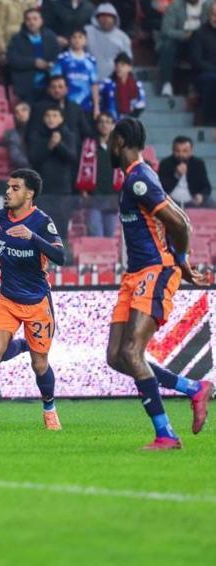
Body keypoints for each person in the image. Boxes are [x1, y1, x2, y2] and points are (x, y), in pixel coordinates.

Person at [104, 117, 213, 450]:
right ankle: (193, 388)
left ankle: (166, 434)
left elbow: (182, 224)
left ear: (120, 141)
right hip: (135, 274)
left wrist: (181, 263)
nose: (107, 145)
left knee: (132, 351)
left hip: (155, 270)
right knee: (116, 356)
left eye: (110, 140)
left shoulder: (139, 179)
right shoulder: (134, 178)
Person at [0, 168, 66, 431]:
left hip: (37, 301)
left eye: (15, 188)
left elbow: (61, 257)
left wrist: (33, 237)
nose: (8, 192)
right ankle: (22, 344)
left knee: (40, 365)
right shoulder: (0, 217)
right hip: (7, 299)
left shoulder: (42, 221)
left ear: (29, 194)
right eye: (8, 187)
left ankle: (49, 408)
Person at [28, 106, 78, 236]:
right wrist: (49, 145)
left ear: (61, 119)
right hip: (43, 190)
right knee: (41, 227)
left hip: (62, 191)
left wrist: (59, 145)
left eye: (55, 116)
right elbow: (34, 159)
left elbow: (72, 158)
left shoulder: (68, 135)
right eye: (48, 116)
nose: (51, 119)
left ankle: (60, 254)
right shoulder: (36, 135)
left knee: (61, 227)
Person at [6, 8, 60, 103]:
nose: (31, 22)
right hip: (25, 87)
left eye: (35, 19)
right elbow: (12, 59)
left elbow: (57, 56)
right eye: (28, 19)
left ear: (41, 21)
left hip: (47, 86)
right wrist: (33, 63)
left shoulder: (50, 37)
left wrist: (50, 64)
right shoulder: (17, 39)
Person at [79, 112, 119, 237]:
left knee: (110, 235)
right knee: (95, 235)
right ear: (96, 125)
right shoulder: (88, 146)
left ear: (113, 125)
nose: (104, 125)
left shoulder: (119, 147)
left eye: (108, 122)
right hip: (93, 197)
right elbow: (82, 169)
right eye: (101, 122)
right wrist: (84, 190)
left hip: (113, 197)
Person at [29, 74, 94, 152]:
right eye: (53, 87)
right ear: (48, 90)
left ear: (67, 89)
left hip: (74, 154)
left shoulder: (75, 107)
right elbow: (33, 134)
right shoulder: (39, 108)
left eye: (60, 87)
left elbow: (86, 131)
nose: (57, 90)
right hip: (50, 155)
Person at [157, 0, 207, 97]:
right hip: (178, 43)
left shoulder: (208, 6)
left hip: (199, 44)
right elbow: (166, 30)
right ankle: (167, 84)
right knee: (167, 45)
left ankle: (196, 87)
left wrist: (195, 37)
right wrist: (186, 35)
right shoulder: (174, 6)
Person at [52, 28, 100, 115]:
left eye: (80, 37)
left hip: (86, 105)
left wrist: (96, 107)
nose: (77, 40)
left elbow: (94, 84)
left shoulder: (91, 60)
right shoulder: (63, 58)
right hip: (67, 104)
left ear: (85, 41)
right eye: (74, 37)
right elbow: (55, 82)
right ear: (70, 40)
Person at [158, 136, 212, 207]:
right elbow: (161, 188)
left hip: (193, 200)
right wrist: (176, 175)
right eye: (177, 151)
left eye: (185, 151)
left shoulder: (198, 164)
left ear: (191, 151)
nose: (181, 154)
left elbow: (207, 187)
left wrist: (201, 196)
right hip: (171, 202)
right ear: (173, 150)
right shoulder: (165, 163)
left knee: (211, 203)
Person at [85, 3, 132, 80]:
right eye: (102, 16)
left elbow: (127, 62)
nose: (106, 19)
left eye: (109, 16)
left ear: (115, 18)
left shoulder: (123, 37)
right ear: (96, 18)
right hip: (89, 78)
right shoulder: (86, 32)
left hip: (114, 80)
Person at [100, 52, 146, 119]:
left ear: (129, 67)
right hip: (109, 121)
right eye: (117, 65)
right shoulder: (107, 84)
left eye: (122, 65)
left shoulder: (137, 85)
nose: (119, 68)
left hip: (129, 120)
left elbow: (141, 104)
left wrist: (130, 116)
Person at [191, 2, 216, 124]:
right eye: (214, 15)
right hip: (203, 75)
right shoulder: (199, 33)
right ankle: (210, 122)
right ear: (209, 15)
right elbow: (196, 60)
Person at [3, 101, 31, 169]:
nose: (20, 113)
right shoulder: (12, 134)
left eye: (24, 110)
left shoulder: (41, 131)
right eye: (17, 112)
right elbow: (16, 157)